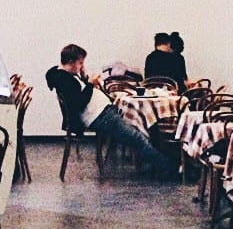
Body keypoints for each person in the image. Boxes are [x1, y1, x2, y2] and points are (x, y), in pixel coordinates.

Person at [46, 44, 175, 178]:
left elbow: (79, 93)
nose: (82, 66)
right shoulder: (64, 79)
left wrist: (84, 77)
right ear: (71, 62)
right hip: (99, 116)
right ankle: (170, 167)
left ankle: (156, 165)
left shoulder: (67, 76)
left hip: (102, 113)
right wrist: (90, 84)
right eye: (80, 63)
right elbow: (78, 103)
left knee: (140, 131)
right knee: (137, 137)